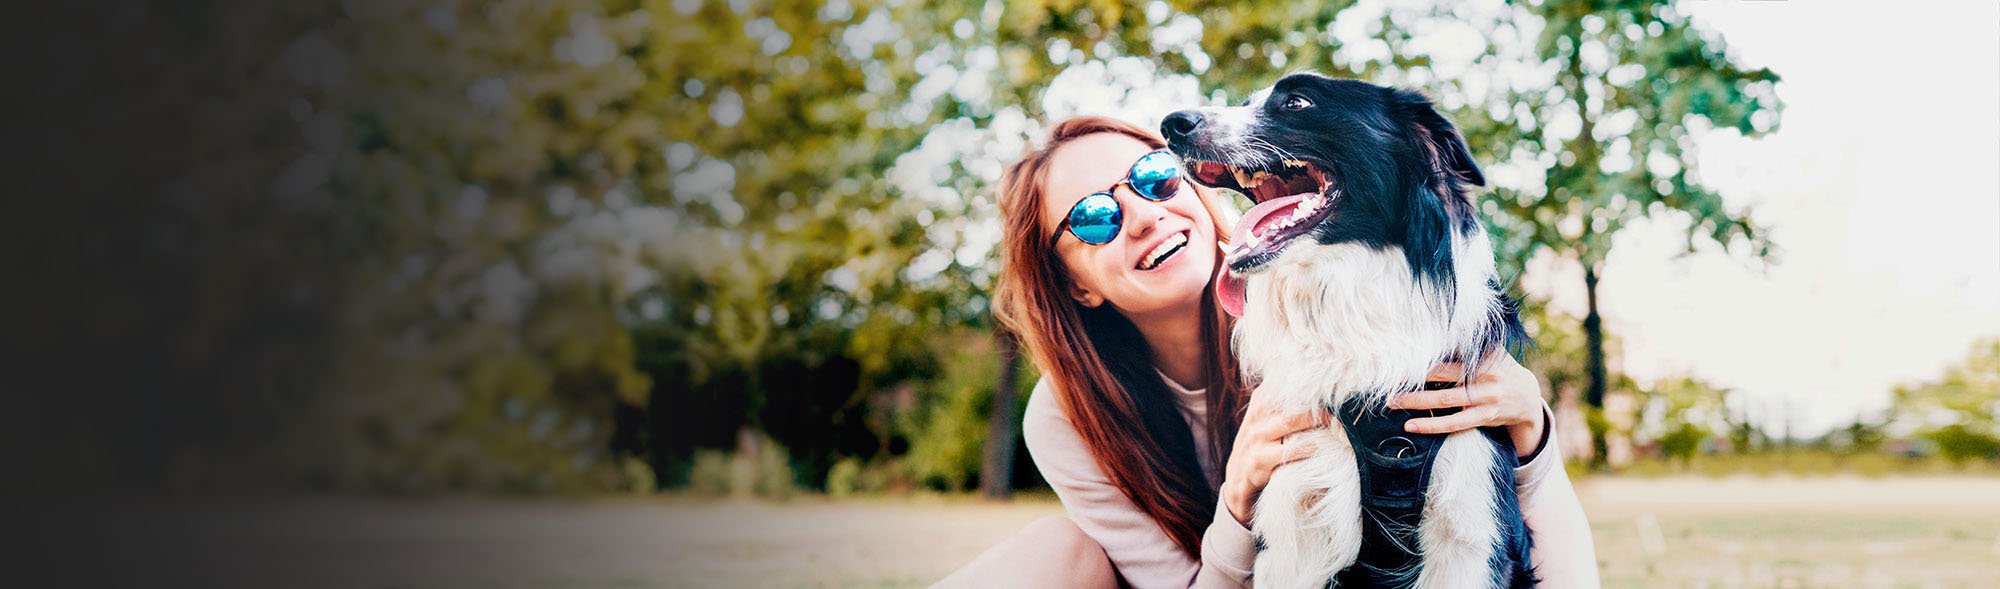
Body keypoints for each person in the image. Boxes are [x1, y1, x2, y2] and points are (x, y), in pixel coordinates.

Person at [934, 116, 1598, 588]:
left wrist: (1531, 433)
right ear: (1074, 283)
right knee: (1053, 550)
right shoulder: (1065, 416)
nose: (1143, 214)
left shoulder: (1331, 299)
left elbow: (1488, 520)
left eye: (1154, 176)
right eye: (1094, 218)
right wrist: (1238, 500)